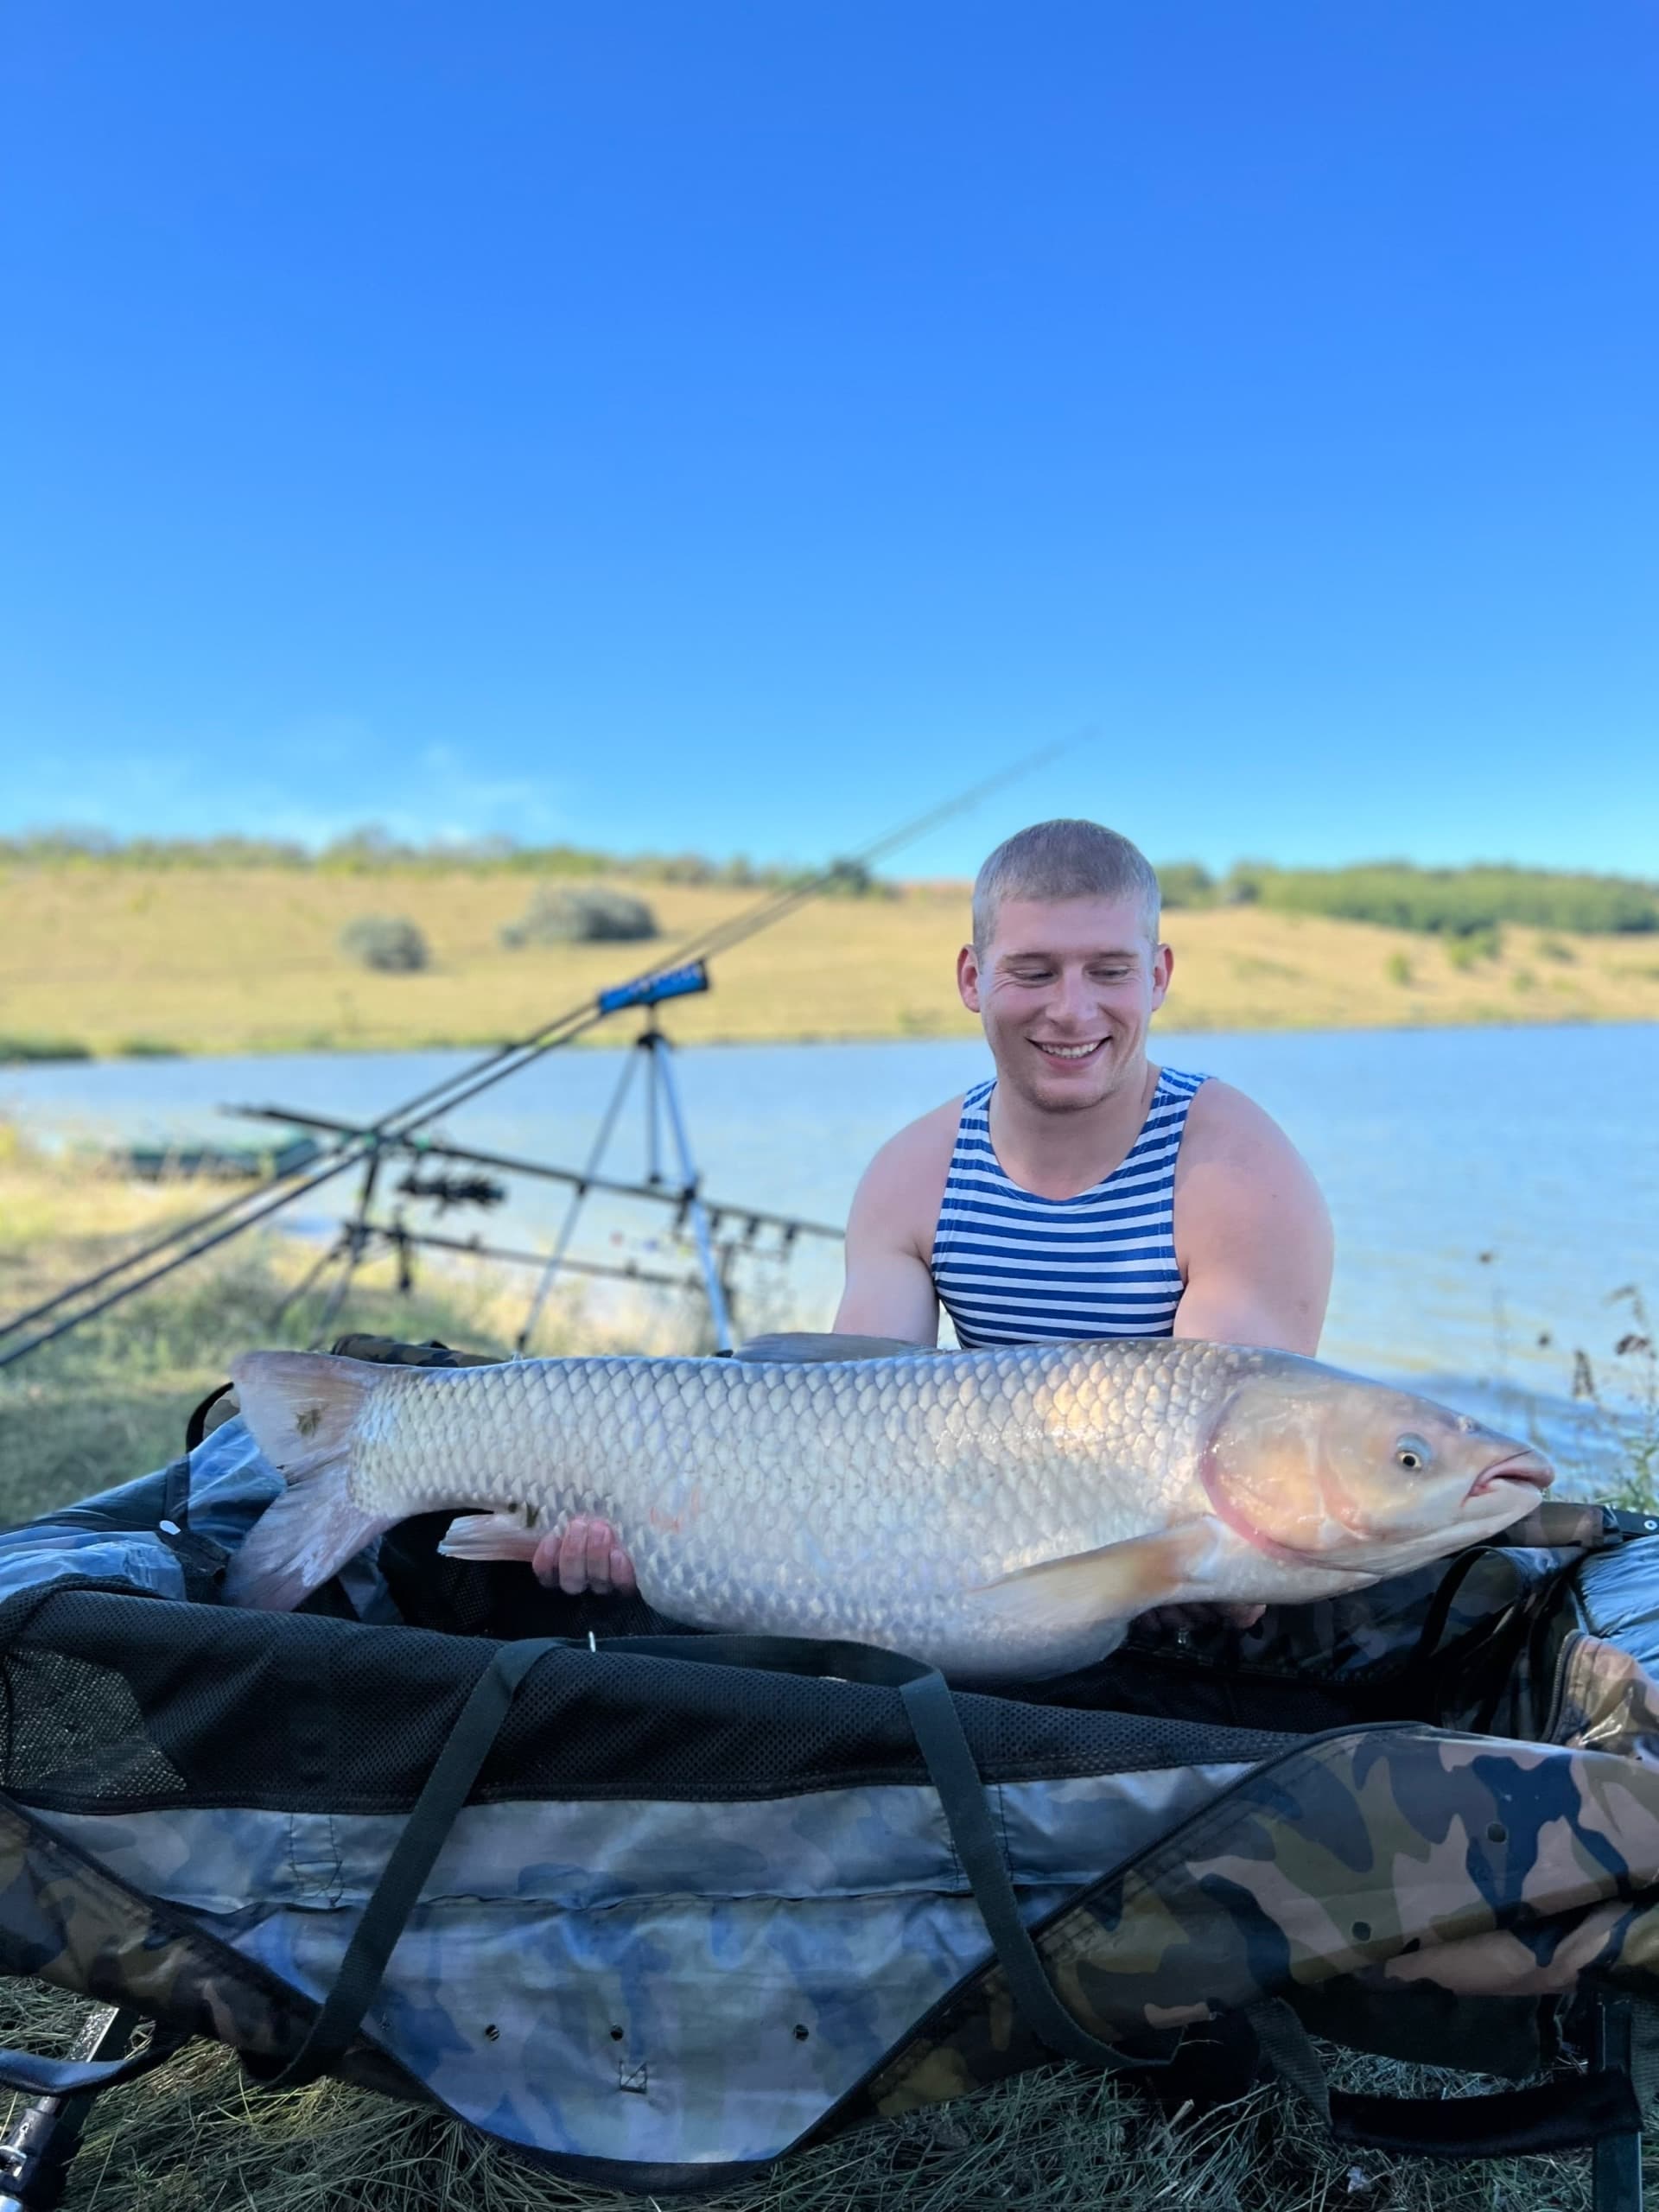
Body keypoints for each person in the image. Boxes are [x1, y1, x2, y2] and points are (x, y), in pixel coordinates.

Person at [532, 818, 1333, 1604]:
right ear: (971, 978)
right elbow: (842, 1457)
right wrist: (658, 1536)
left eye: (1109, 971)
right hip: (978, 1563)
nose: (1072, 1009)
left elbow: (1241, 1549)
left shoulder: (1236, 1171)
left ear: (1158, 977)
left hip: (1160, 1601)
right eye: (1033, 972)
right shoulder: (914, 1176)